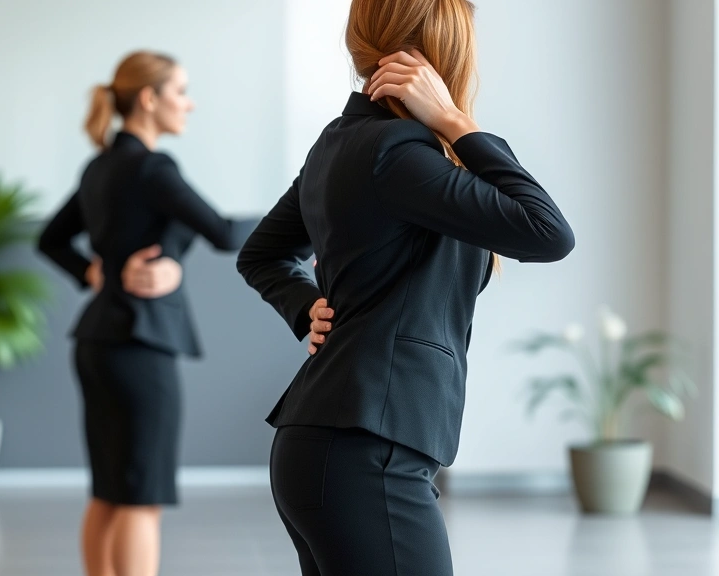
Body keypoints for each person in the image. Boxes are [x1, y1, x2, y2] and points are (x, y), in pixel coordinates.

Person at [236, 1, 575, 574]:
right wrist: (457, 124)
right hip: (365, 453)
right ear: (443, 54)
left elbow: (261, 254)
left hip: (335, 446)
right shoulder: (396, 154)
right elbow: (548, 232)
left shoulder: (344, 142)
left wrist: (305, 308)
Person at [38, 50, 253, 576]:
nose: (190, 103)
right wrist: (308, 211)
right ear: (150, 99)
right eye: (181, 91)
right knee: (141, 497)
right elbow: (224, 233)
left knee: (110, 491)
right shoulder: (154, 167)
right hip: (140, 346)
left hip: (97, 343)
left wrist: (100, 273)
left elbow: (51, 239)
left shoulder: (100, 166)